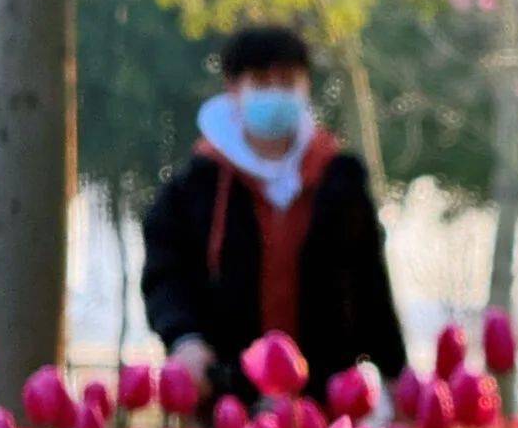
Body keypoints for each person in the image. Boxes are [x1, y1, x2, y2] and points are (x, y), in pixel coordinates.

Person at [141, 25, 406, 405]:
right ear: (234, 88)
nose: (276, 91)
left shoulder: (339, 178)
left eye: (287, 80)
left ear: (306, 86)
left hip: (324, 396)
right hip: (228, 396)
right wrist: (185, 339)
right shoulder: (195, 186)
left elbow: (370, 283)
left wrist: (395, 372)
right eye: (262, 81)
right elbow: (167, 275)